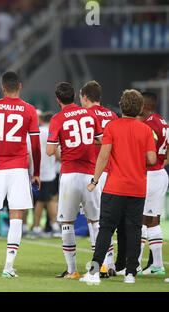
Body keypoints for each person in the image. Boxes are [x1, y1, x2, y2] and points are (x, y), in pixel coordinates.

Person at [80, 89, 157, 285]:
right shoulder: (146, 130)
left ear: (121, 105)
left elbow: (104, 156)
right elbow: (152, 159)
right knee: (134, 231)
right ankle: (130, 273)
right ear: (140, 108)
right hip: (137, 188)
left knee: (106, 229)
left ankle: (94, 272)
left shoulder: (112, 127)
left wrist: (94, 181)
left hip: (114, 188)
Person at [0, 71, 41, 278]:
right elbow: (36, 145)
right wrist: (36, 171)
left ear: (2, 87)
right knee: (16, 216)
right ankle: (8, 268)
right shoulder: (29, 110)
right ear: (19, 86)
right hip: (19, 168)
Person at [47, 82, 103, 279]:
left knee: (67, 223)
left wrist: (66, 148)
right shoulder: (90, 114)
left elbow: (50, 150)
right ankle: (96, 269)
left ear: (58, 99)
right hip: (90, 174)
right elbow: (100, 139)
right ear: (75, 96)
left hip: (70, 174)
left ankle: (72, 270)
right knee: (95, 222)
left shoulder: (57, 119)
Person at [79, 80, 119, 277]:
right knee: (107, 220)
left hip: (93, 171)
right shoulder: (111, 115)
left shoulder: (84, 114)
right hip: (111, 172)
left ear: (85, 97)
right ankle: (110, 263)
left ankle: (100, 264)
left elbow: (87, 140)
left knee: (93, 220)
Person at [135, 91, 168, 276]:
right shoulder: (163, 122)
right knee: (152, 220)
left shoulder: (148, 126)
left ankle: (136, 265)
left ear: (145, 106)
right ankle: (157, 265)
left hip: (150, 175)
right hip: (160, 173)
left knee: (140, 220)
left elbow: (149, 156)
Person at [32, 111, 60, 238]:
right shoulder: (51, 132)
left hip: (36, 172)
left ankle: (38, 226)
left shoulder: (36, 132)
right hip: (49, 173)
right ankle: (52, 226)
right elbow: (57, 153)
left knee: (41, 200)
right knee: (48, 200)